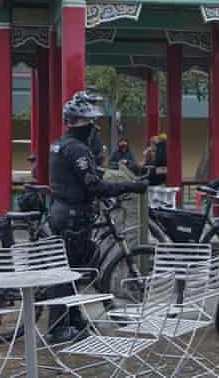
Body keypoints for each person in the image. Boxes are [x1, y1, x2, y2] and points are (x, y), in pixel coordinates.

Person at [46, 93, 148, 344]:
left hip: (62, 212)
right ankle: (57, 328)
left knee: (74, 269)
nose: (93, 127)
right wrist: (131, 187)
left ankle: (74, 317)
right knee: (66, 272)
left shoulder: (59, 145)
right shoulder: (77, 149)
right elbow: (93, 185)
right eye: (89, 122)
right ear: (80, 122)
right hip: (72, 217)